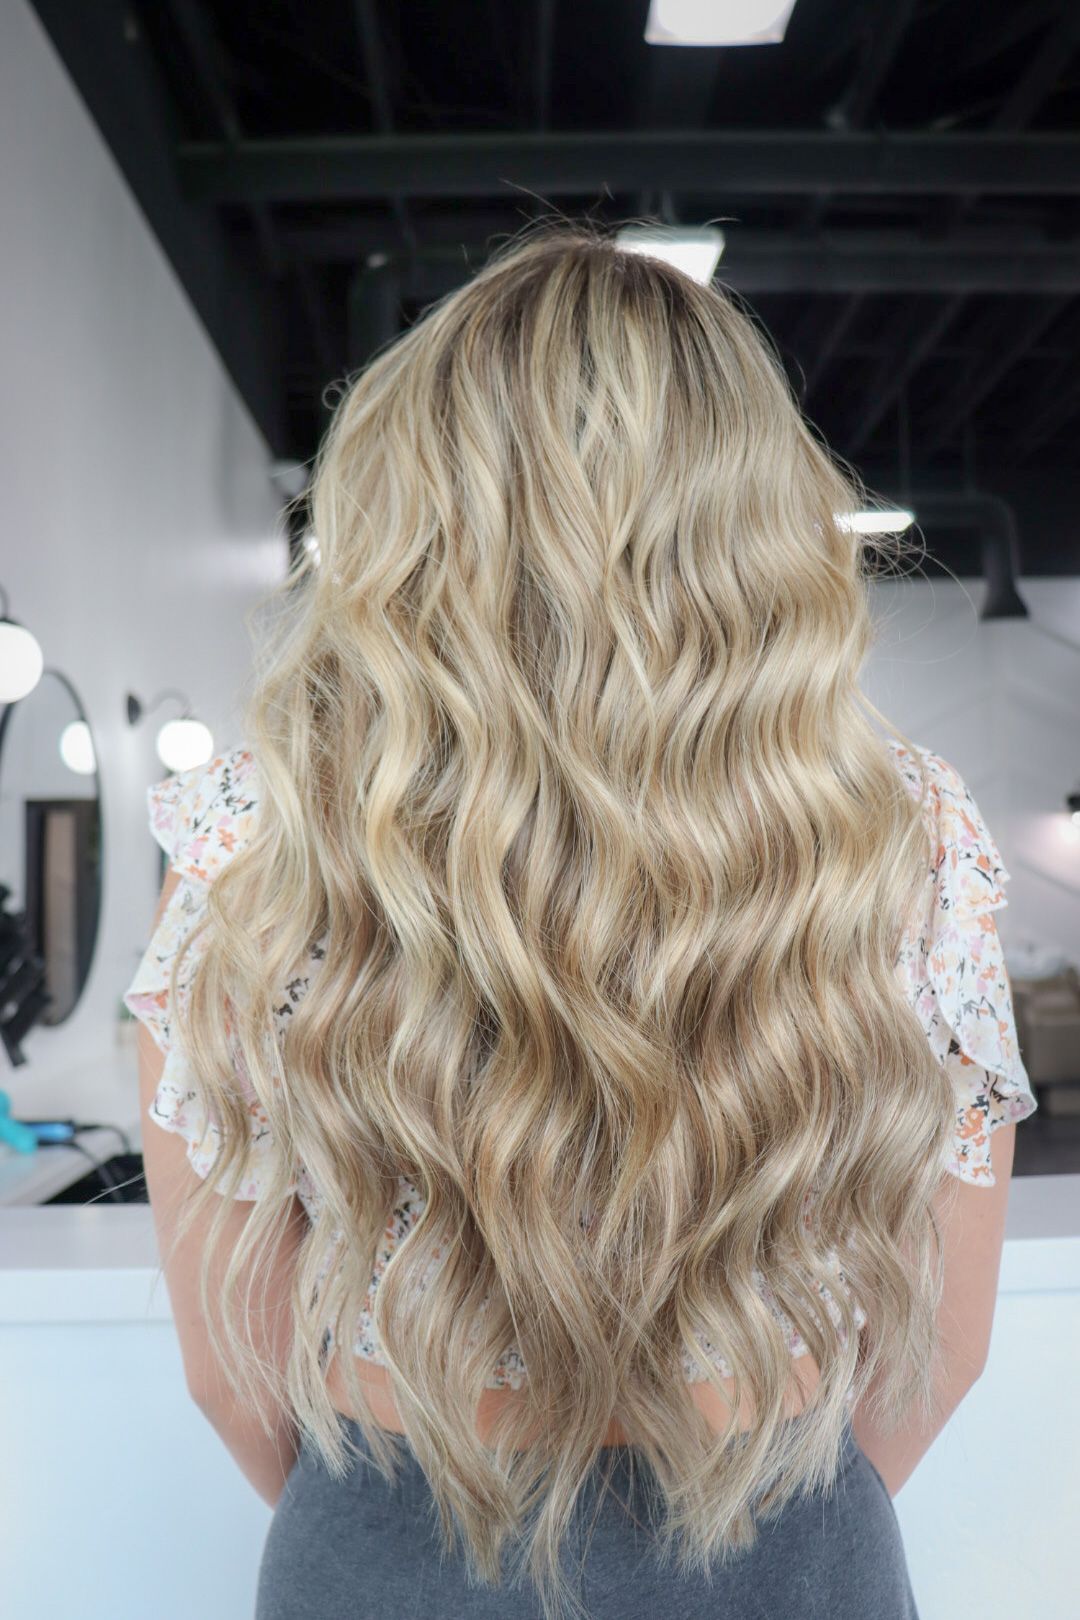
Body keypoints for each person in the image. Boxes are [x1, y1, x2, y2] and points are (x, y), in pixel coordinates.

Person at [125, 219, 1038, 1620]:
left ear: (410, 502)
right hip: (784, 1538)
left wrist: (404, 1542)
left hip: (392, 1537)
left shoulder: (257, 828)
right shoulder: (902, 830)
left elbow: (227, 1364)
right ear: (752, 515)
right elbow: (946, 1344)